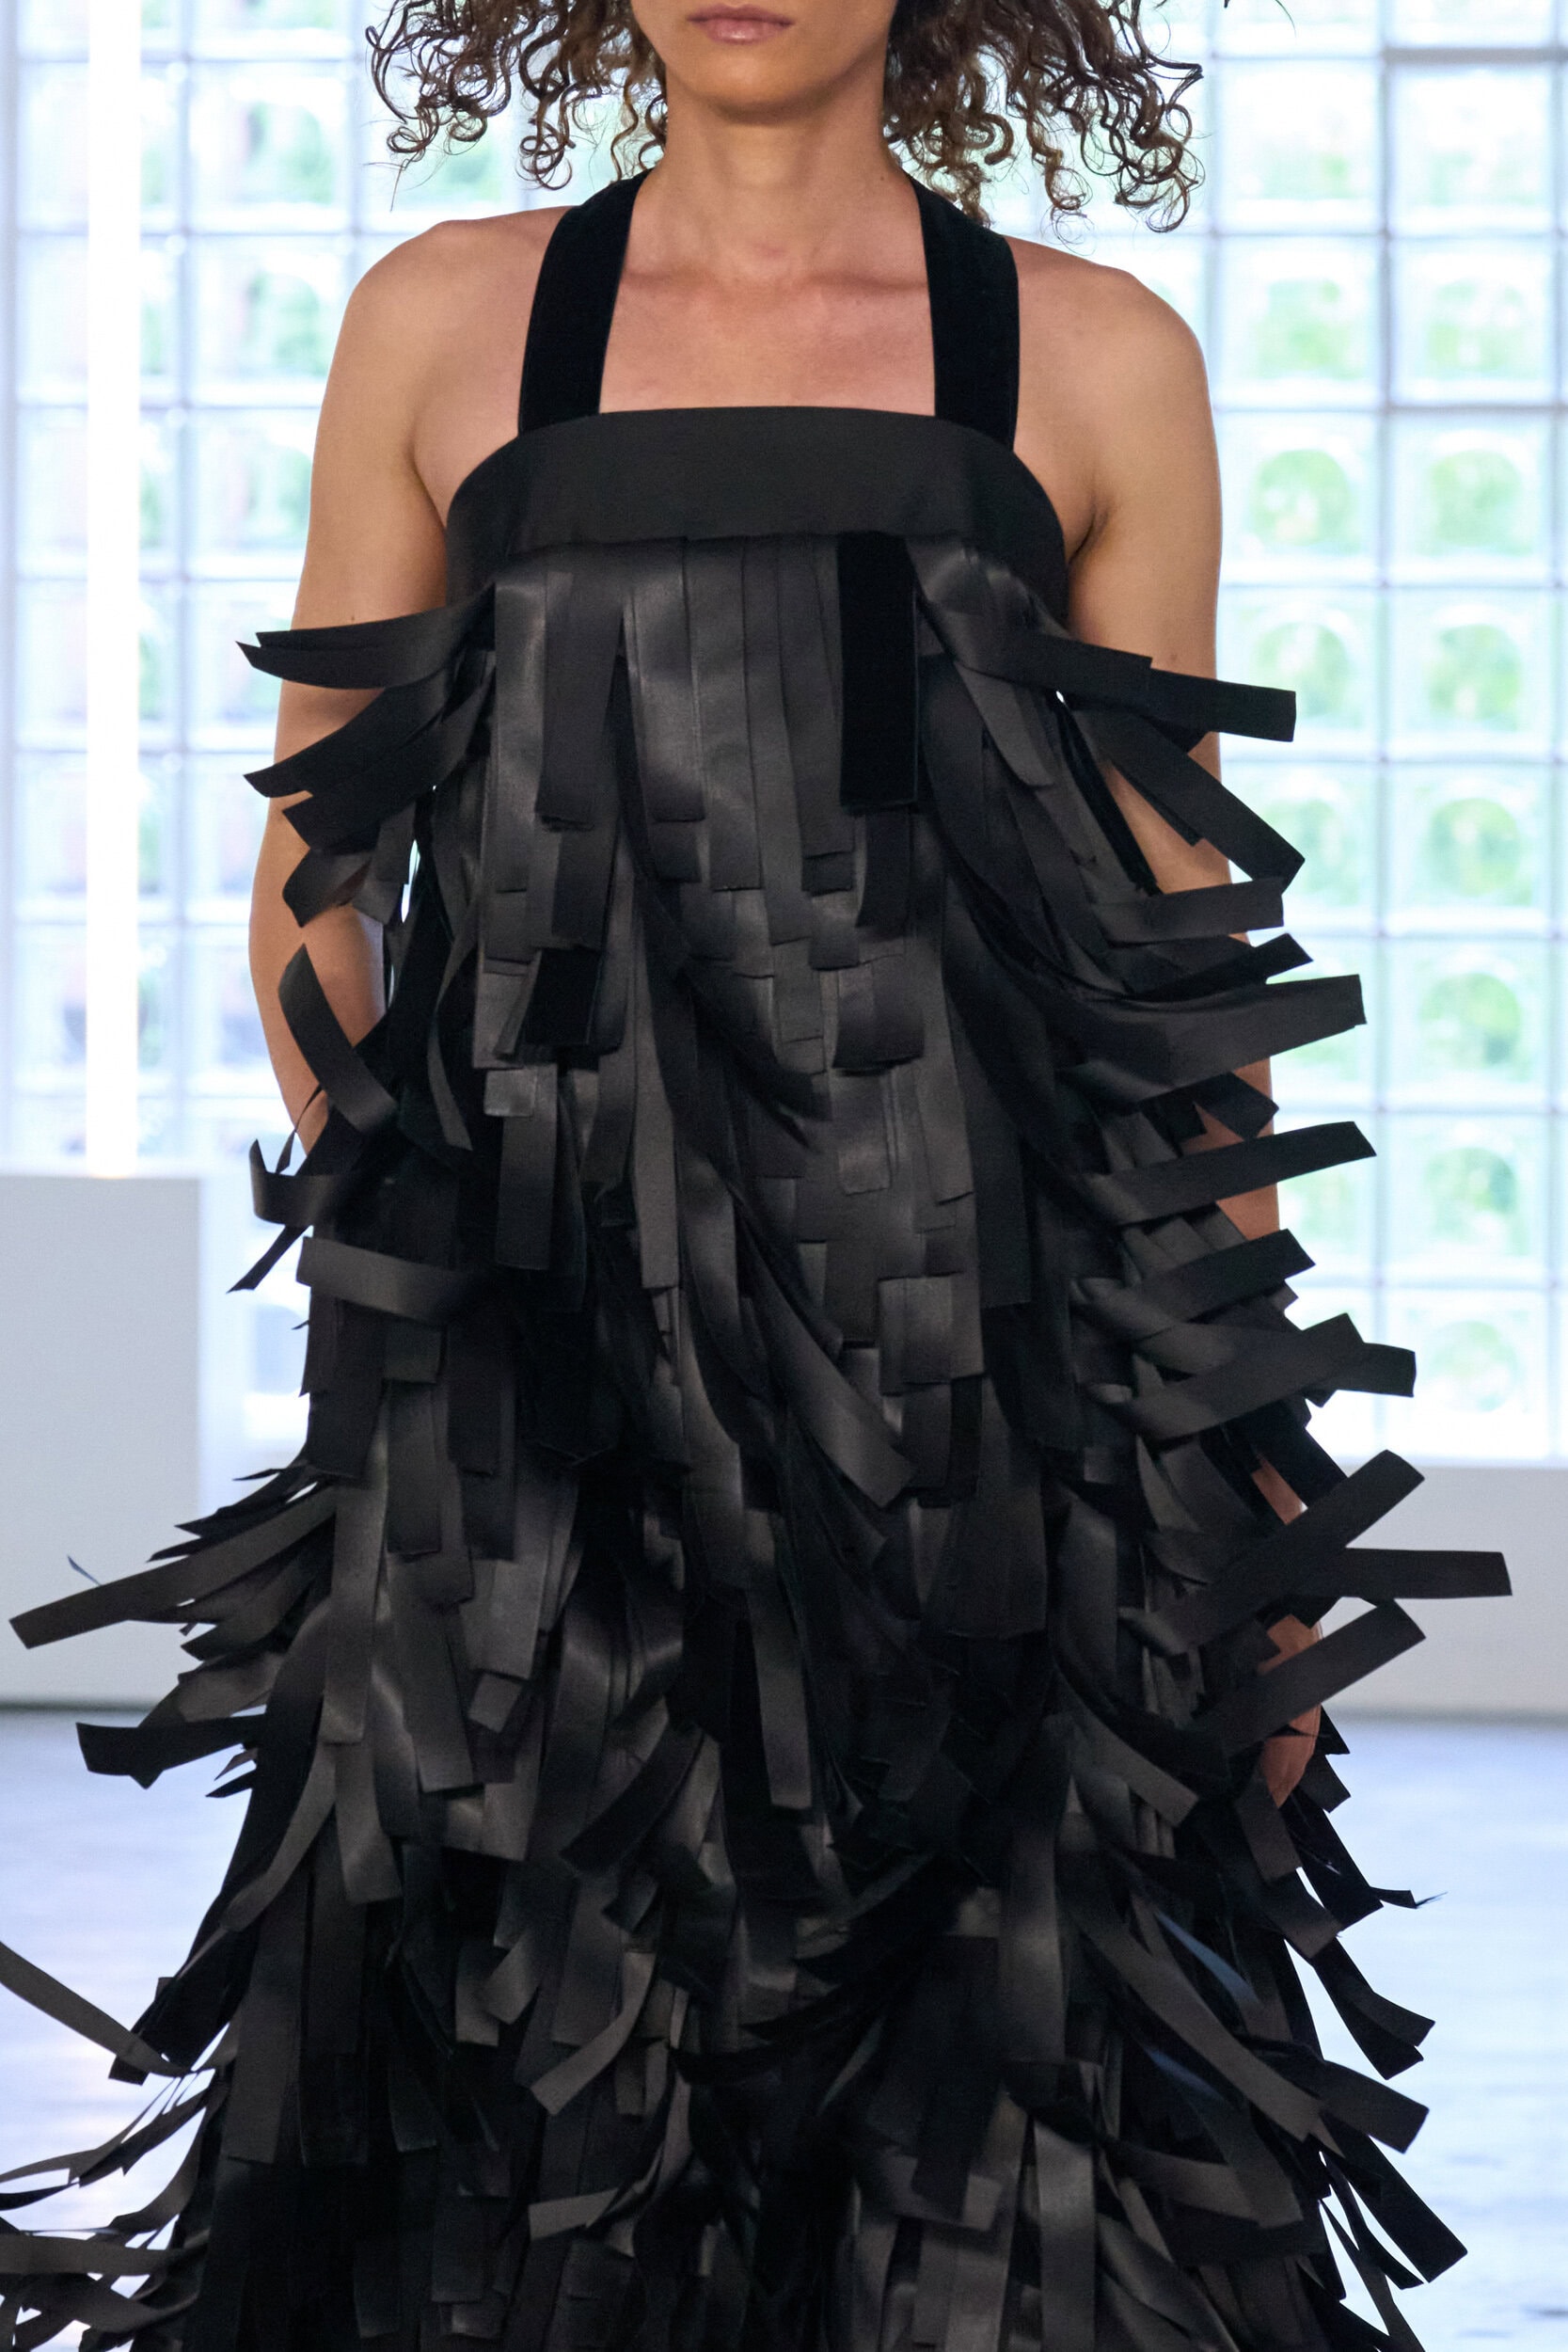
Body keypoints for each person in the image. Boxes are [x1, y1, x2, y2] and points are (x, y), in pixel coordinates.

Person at [0, 1, 1506, 2346]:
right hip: (543, 1435)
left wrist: (1254, 1489)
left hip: (995, 1433)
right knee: (528, 2158)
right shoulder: (446, 321)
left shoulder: (1098, 361)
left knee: (1009, 2169)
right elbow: (318, 876)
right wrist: (419, 1283)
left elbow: (1177, 969)